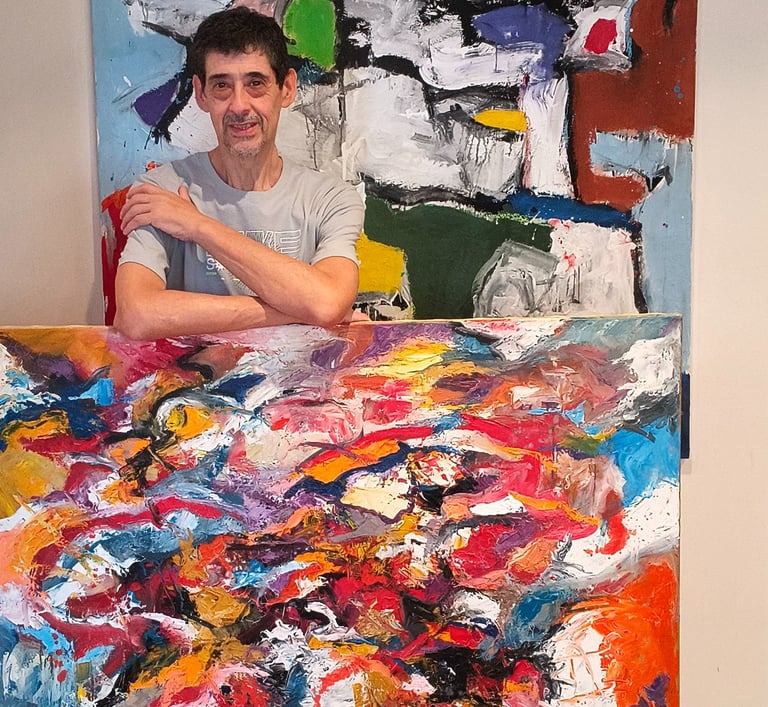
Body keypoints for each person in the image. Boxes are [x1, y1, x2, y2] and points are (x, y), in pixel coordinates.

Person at [114, 7, 364, 340]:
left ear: (287, 88)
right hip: (194, 373)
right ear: (201, 94)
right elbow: (136, 315)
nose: (239, 106)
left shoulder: (330, 199)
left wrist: (198, 226)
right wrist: (295, 312)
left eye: (255, 83)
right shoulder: (162, 191)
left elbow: (327, 302)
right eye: (222, 85)